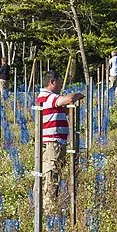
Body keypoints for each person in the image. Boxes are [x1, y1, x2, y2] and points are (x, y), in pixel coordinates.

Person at [33, 75, 84, 207]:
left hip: (57, 143)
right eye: (60, 83)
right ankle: (48, 208)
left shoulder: (51, 99)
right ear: (52, 82)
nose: (61, 86)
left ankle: (50, 204)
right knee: (51, 175)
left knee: (55, 174)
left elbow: (64, 110)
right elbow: (69, 98)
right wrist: (78, 94)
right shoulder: (48, 97)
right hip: (52, 143)